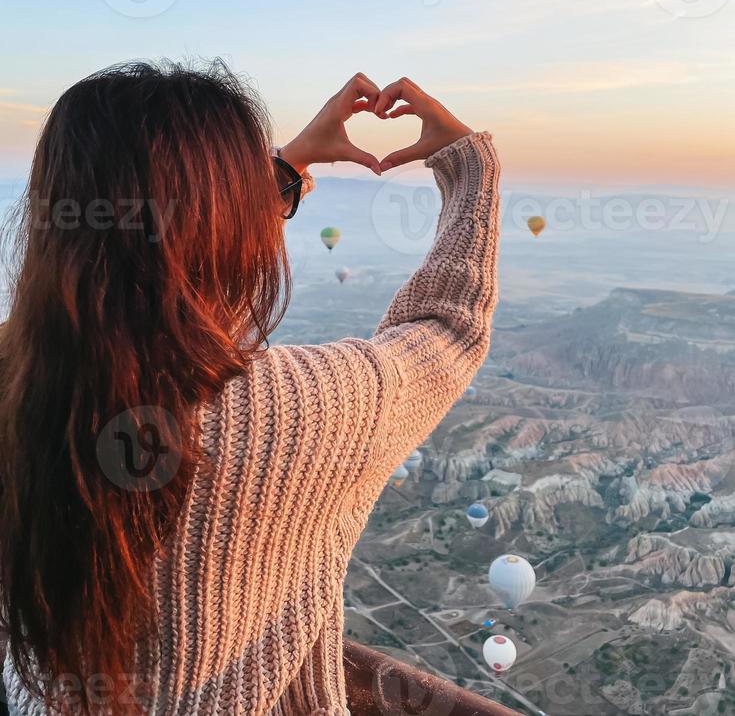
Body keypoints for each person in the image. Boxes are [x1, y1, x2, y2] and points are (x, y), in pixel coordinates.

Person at [0, 62, 500, 716]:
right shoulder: (296, 407)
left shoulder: (19, 371)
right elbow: (447, 327)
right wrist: (473, 171)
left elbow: (138, 274)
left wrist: (281, 172)